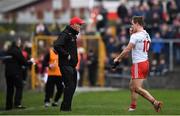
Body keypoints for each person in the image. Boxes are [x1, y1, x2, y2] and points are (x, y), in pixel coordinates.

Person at [113, 16, 163, 112]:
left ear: (137, 23)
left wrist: (118, 58)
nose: (131, 26)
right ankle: (133, 107)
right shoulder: (146, 34)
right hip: (145, 62)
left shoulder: (135, 36)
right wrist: (133, 34)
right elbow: (140, 43)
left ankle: (155, 102)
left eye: (132, 24)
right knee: (132, 86)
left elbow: (128, 49)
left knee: (136, 88)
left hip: (138, 64)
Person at [53, 16, 85, 111]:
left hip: (71, 65)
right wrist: (66, 55)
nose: (80, 26)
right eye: (79, 24)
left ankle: (66, 107)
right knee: (69, 85)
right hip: (65, 64)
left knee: (72, 86)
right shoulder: (65, 34)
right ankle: (65, 108)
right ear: (73, 25)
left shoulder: (72, 34)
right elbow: (57, 45)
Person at [3, 39, 34, 110]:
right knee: (19, 87)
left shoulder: (7, 51)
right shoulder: (17, 51)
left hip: (7, 73)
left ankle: (8, 106)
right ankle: (17, 104)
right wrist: (31, 62)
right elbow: (23, 61)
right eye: (19, 42)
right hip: (15, 72)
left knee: (9, 89)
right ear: (17, 43)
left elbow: (5, 61)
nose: (20, 44)